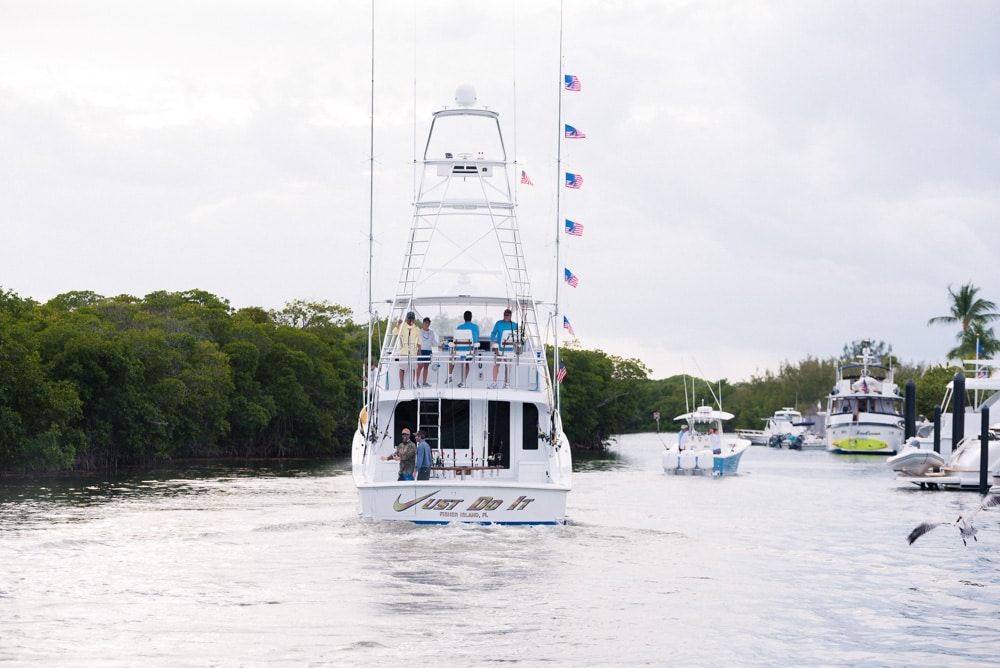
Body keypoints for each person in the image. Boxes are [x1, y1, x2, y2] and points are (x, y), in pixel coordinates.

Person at [447, 310, 480, 387]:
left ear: (464, 318)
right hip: (469, 351)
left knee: (451, 357)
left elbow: (455, 340)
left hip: (458, 351)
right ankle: (463, 382)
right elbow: (475, 340)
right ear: (471, 318)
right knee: (467, 364)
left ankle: (450, 376)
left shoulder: (459, 327)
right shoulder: (475, 327)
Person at [490, 308, 518, 388]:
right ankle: (494, 383)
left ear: (510, 316)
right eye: (505, 315)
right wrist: (492, 341)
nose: (506, 316)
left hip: (509, 350)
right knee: (496, 364)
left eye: (507, 315)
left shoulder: (514, 325)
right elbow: (493, 333)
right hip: (499, 349)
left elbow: (517, 336)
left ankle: (506, 383)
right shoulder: (498, 323)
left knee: (508, 365)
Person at [392, 311, 421, 388]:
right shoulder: (402, 326)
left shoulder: (416, 328)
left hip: (413, 352)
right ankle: (401, 384)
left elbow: (419, 340)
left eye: (412, 319)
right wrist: (398, 325)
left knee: (413, 368)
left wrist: (419, 351)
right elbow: (394, 332)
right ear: (406, 319)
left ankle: (412, 384)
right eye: (409, 319)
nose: (410, 321)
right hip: (403, 352)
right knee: (402, 368)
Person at [416, 317, 440, 387]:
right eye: (425, 323)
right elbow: (417, 342)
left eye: (428, 323)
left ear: (429, 324)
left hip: (428, 350)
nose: (427, 324)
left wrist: (440, 345)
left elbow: (434, 342)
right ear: (423, 323)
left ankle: (424, 382)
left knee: (426, 366)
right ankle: (416, 381)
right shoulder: (420, 331)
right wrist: (419, 351)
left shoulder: (431, 332)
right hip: (421, 350)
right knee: (420, 366)